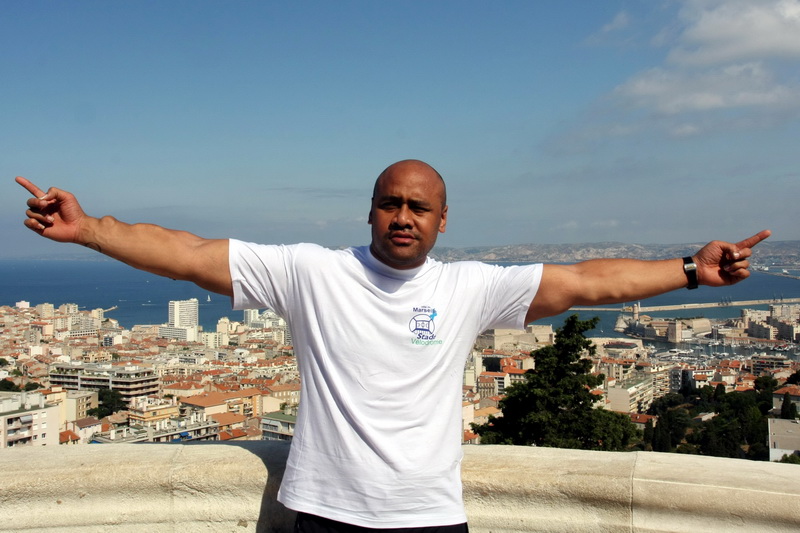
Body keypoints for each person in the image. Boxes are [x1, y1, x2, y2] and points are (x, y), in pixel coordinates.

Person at [17, 160, 770, 532]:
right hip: (319, 511)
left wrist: (687, 271)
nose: (403, 215)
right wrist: (90, 230)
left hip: (428, 518)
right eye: (391, 202)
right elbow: (185, 251)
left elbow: (584, 282)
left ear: (443, 222)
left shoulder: (468, 286)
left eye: (419, 206)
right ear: (370, 210)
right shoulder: (311, 271)